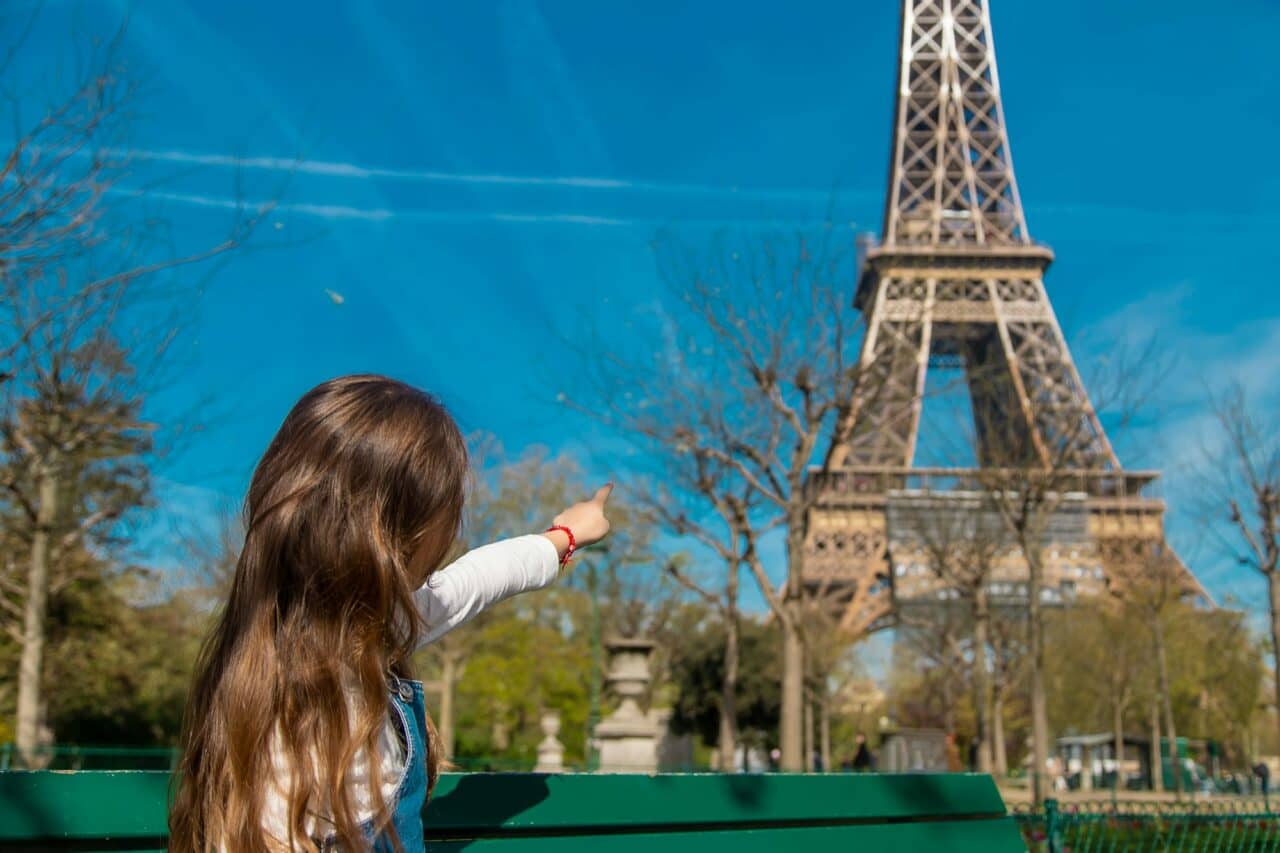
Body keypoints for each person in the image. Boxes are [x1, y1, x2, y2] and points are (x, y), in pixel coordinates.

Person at [168, 376, 613, 851]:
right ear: (388, 531)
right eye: (445, 512)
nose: (450, 532)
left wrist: (565, 536)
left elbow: (476, 580)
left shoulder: (369, 628)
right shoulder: (291, 695)